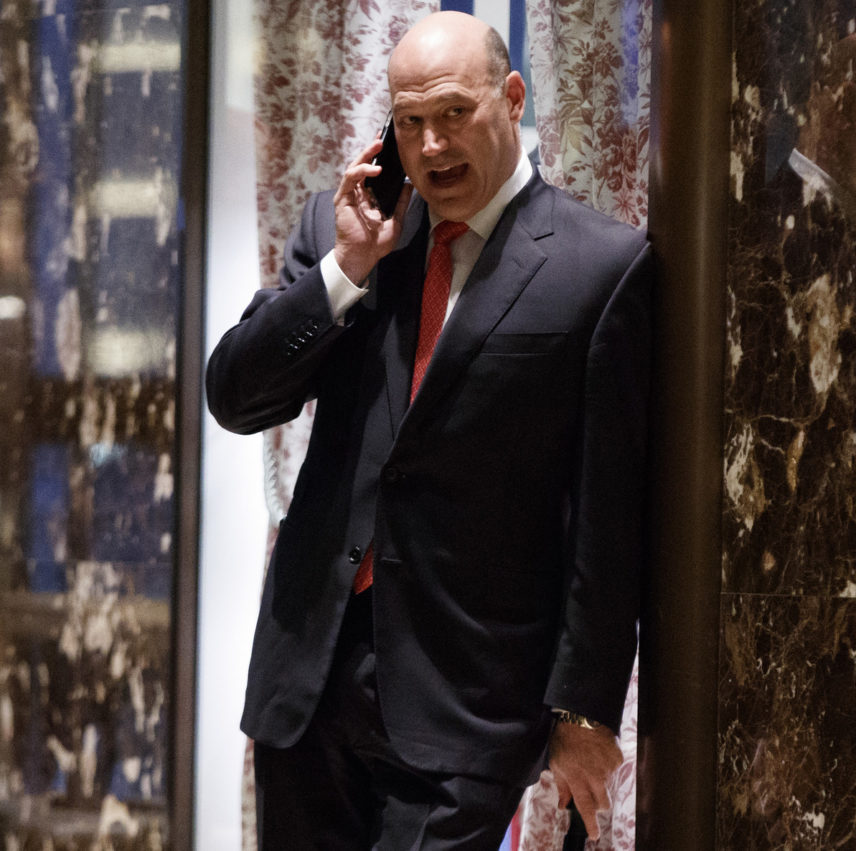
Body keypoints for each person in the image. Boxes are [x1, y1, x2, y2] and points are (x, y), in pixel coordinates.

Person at [205, 11, 652, 849]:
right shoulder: (354, 235)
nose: (433, 145)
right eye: (410, 122)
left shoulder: (603, 266)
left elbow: (608, 518)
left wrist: (584, 706)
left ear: (512, 99)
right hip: (311, 683)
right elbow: (236, 397)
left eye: (454, 114)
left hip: (470, 705)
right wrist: (345, 269)